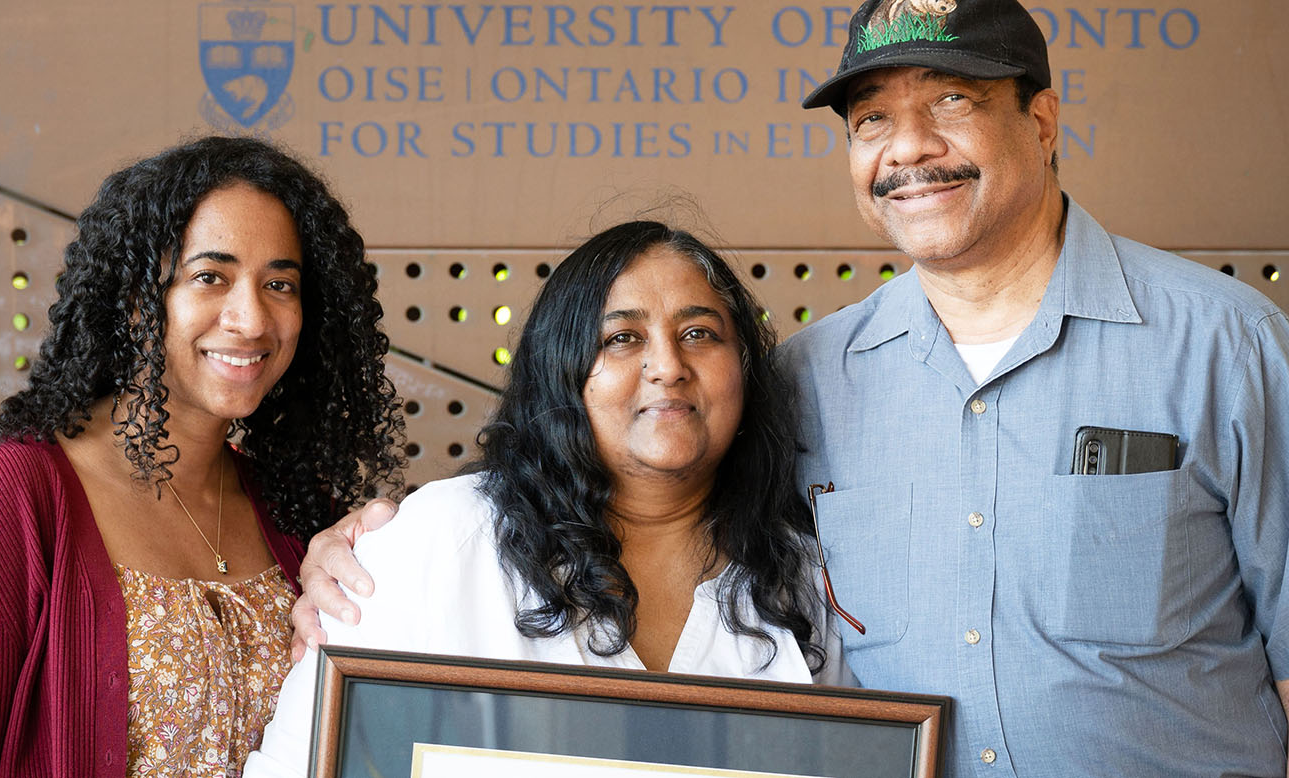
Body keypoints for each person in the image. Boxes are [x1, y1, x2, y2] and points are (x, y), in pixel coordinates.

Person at [292, 1, 1289, 775]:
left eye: (949, 102)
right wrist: (362, 550)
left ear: (1040, 118)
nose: (907, 149)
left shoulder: (1225, 347)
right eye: (871, 122)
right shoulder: (808, 383)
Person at [242, 220, 851, 776]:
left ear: (743, 368)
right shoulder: (442, 540)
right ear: (563, 371)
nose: (668, 365)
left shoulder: (802, 575)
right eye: (621, 338)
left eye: (698, 333)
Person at [0, 136, 406, 777]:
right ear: (136, 299)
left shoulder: (297, 519)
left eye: (280, 284)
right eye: (210, 276)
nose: (251, 317)